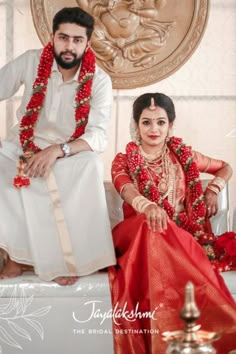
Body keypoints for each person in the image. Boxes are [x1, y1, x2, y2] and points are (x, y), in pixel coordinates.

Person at [108, 92, 236, 354]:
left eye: (160, 122)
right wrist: (149, 207)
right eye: (146, 122)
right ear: (136, 125)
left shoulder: (184, 156)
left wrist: (212, 189)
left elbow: (226, 167)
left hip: (182, 234)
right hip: (136, 235)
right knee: (151, 225)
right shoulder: (124, 160)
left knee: (164, 230)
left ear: (170, 125)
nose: (153, 129)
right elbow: (126, 189)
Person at [0, 7, 116, 286]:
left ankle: (71, 260)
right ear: (52, 37)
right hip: (23, 146)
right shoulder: (30, 61)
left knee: (91, 165)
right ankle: (15, 257)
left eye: (77, 40)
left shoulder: (99, 80)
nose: (69, 46)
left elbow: (98, 135)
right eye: (63, 38)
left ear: (87, 44)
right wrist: (35, 149)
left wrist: (58, 151)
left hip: (67, 153)